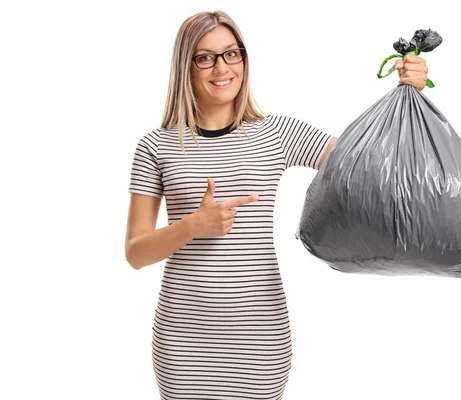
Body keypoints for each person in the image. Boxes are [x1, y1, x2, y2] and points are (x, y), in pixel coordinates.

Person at [125, 9, 429, 400]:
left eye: (232, 53)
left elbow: (371, 164)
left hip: (260, 337)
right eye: (205, 57)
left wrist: (411, 97)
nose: (222, 67)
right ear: (186, 65)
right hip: (183, 342)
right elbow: (135, 253)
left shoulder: (277, 133)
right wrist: (192, 226)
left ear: (244, 59)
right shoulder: (156, 147)